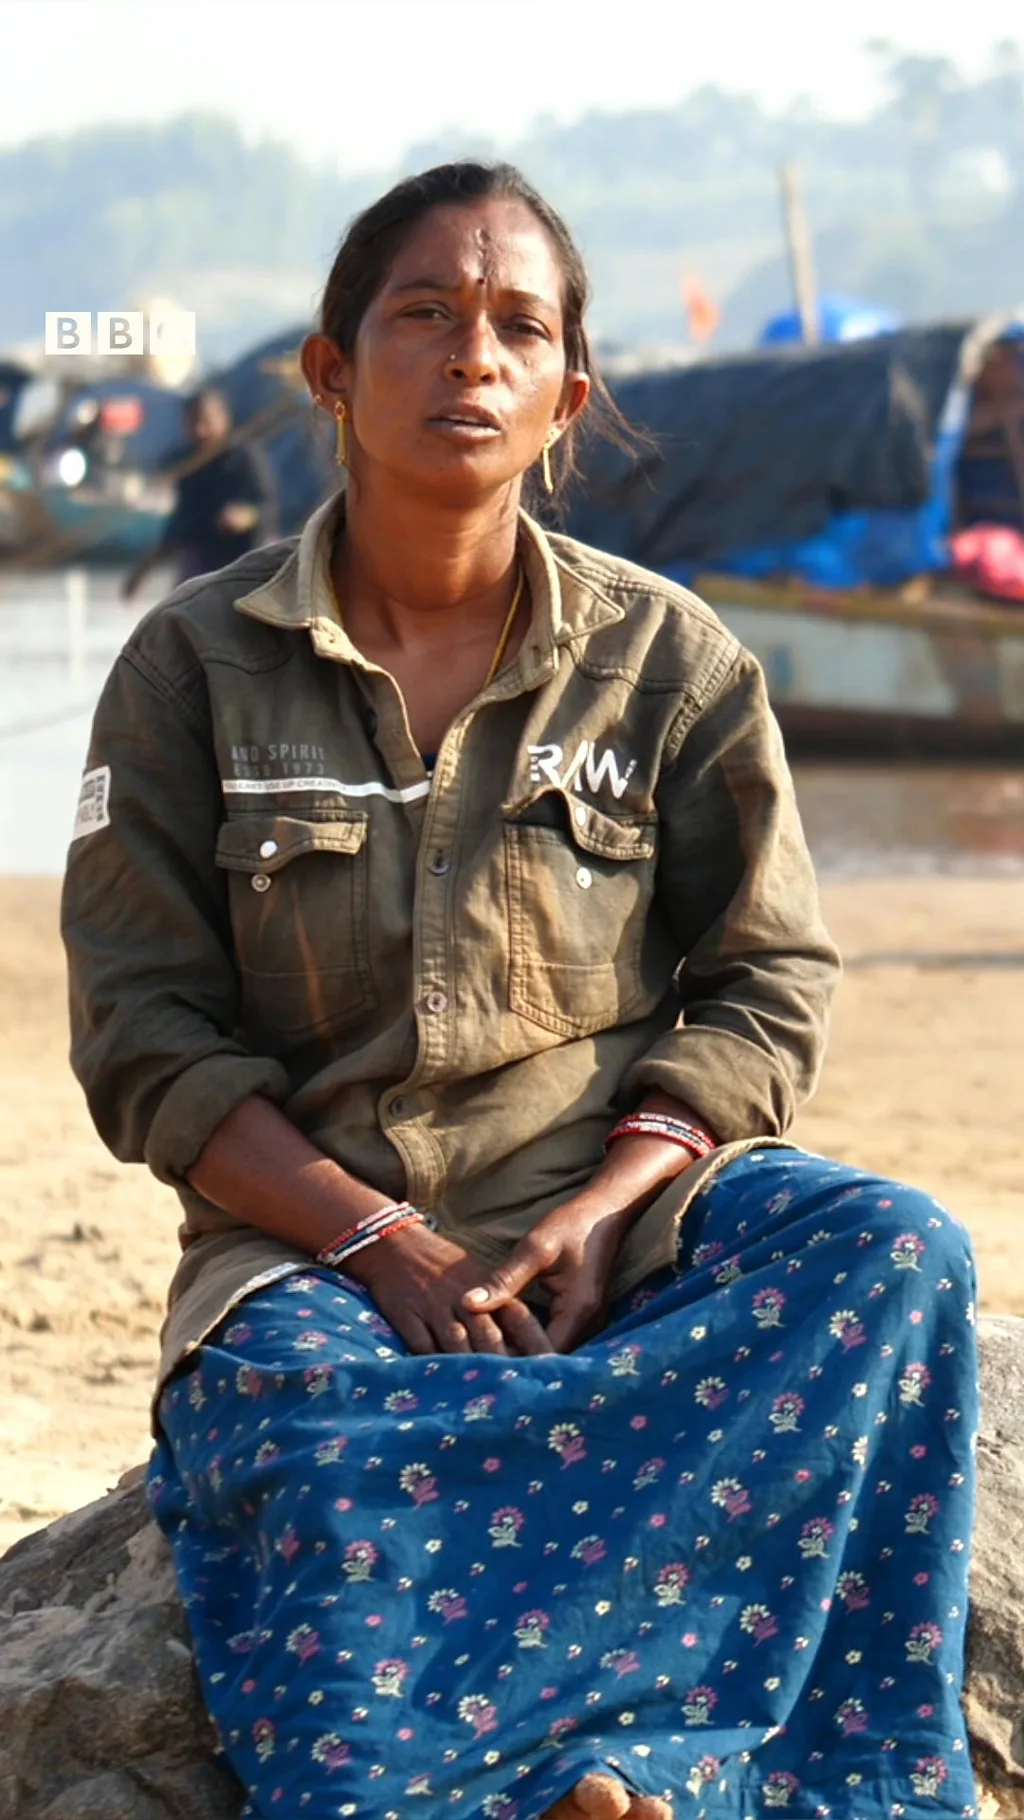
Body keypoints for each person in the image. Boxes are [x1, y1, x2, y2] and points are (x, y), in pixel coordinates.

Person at [61, 162, 979, 1820]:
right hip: (310, 1247)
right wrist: (375, 1240)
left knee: (893, 1251)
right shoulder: (192, 667)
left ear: (567, 395)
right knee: (314, 1436)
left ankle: (660, 1774)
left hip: (626, 1222)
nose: (470, 355)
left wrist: (607, 1211)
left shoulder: (670, 661)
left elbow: (767, 981)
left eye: (517, 327)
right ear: (330, 370)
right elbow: (143, 1036)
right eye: (422, 313)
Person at [121, 385, 271, 599]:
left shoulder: (244, 458)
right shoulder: (187, 464)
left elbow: (266, 507)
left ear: (223, 419)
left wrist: (245, 516)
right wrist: (143, 569)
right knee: (183, 604)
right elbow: (180, 524)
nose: (200, 431)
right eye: (193, 423)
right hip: (202, 563)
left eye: (206, 421)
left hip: (246, 563)